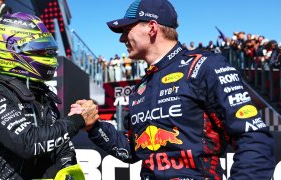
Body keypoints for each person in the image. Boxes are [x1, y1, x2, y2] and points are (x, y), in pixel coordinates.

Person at [73, 0, 276, 179]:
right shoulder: (140, 89)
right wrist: (94, 127)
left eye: (127, 30)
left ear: (152, 28)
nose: (122, 39)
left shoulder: (204, 67)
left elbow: (254, 140)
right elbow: (132, 150)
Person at [0, 12, 99, 179]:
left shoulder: (41, 93)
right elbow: (28, 143)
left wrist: (66, 165)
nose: (49, 56)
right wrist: (77, 120)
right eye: (40, 49)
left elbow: (60, 146)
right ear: (11, 50)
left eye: (48, 49)